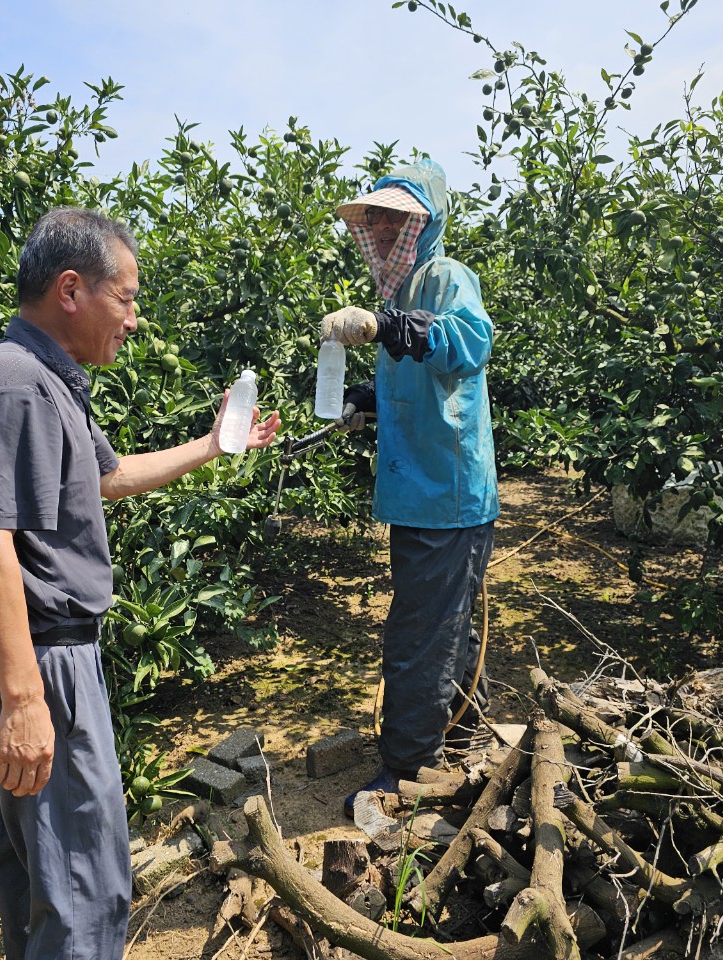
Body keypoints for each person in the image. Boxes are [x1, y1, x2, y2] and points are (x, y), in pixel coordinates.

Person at [0, 207, 280, 960]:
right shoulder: (12, 385)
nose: (134, 318)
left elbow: (109, 477)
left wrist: (214, 444)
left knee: (49, 877)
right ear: (71, 290)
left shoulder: (47, 379)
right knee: (86, 890)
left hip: (48, 656)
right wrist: (26, 700)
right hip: (39, 660)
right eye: (125, 298)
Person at [320, 158, 499, 817]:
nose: (387, 229)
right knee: (447, 625)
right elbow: (415, 382)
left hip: (444, 495)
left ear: (424, 223)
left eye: (399, 217)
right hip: (429, 490)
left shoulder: (445, 277)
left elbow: (468, 343)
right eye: (379, 219)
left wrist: (381, 327)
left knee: (420, 634)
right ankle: (461, 735)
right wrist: (364, 397)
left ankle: (406, 768)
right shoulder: (404, 294)